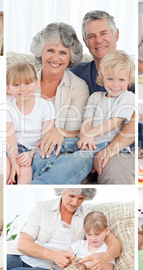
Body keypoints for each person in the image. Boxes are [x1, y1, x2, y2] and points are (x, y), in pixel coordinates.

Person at [34, 50, 135, 184]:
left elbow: (115, 122)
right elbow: (87, 120)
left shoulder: (128, 97)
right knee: (50, 146)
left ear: (129, 80)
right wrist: (84, 135)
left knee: (76, 159)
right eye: (110, 79)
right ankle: (37, 174)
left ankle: (41, 183)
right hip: (86, 140)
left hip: (105, 144)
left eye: (121, 80)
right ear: (102, 77)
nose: (115, 84)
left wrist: (90, 134)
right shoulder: (95, 97)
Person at [69, 10, 135, 184]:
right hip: (82, 146)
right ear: (85, 42)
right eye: (92, 36)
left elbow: (136, 120)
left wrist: (110, 150)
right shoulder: (76, 74)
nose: (98, 40)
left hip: (121, 149)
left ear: (116, 34)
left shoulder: (131, 74)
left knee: (115, 170)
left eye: (104, 33)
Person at [24, 22, 89, 183]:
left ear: (70, 57)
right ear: (41, 51)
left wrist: (59, 131)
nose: (55, 58)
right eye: (50, 50)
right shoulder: (23, 81)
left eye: (62, 53)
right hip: (23, 149)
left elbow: (76, 132)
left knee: (82, 154)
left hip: (58, 152)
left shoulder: (79, 87)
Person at [7, 188, 121, 270]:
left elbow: (113, 243)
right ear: (62, 191)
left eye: (81, 198)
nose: (75, 203)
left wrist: (107, 256)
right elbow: (22, 244)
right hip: (22, 257)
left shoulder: (88, 218)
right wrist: (53, 255)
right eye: (71, 196)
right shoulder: (42, 207)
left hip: (50, 268)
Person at [6, 62, 55, 184]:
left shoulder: (45, 106)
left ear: (36, 83)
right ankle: (6, 190)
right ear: (8, 88)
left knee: (25, 170)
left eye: (27, 83)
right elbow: (10, 138)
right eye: (16, 85)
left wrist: (31, 154)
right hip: (13, 148)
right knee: (6, 165)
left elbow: (47, 138)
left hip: (36, 149)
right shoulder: (7, 107)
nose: (23, 88)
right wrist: (13, 163)